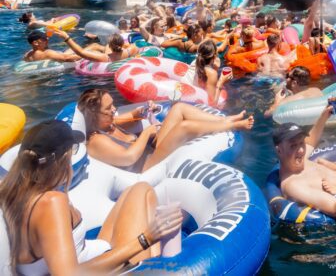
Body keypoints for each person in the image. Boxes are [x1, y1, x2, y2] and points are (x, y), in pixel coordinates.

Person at [0, 120, 183, 274]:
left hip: (92, 253)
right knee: (145, 195)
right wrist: (147, 238)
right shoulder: (51, 202)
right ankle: (159, 266)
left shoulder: (12, 191)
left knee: (138, 189)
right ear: (64, 159)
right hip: (104, 270)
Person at [78, 89, 253, 172]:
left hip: (150, 151)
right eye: (109, 108)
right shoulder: (96, 140)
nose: (114, 109)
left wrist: (142, 111)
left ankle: (225, 120)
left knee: (179, 108)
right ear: (93, 115)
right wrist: (147, 133)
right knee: (184, 128)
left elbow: (131, 115)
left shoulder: (109, 123)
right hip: (146, 166)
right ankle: (232, 125)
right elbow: (128, 157)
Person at [50, 29, 138, 63]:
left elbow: (80, 52)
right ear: (122, 43)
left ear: (111, 45)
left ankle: (66, 56)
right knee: (95, 45)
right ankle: (95, 43)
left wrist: (66, 37)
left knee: (93, 48)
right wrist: (125, 46)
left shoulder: (105, 58)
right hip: (121, 52)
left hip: (108, 59)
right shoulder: (131, 50)